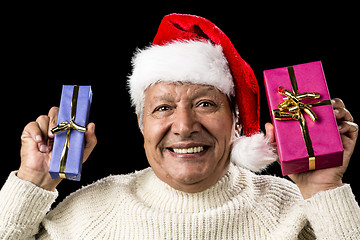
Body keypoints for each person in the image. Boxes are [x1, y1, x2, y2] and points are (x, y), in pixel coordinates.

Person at [1, 13, 359, 239]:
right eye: (163, 108)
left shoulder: (299, 210)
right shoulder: (89, 214)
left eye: (205, 104)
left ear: (236, 122)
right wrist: (33, 182)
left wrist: (324, 188)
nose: (185, 125)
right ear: (142, 125)